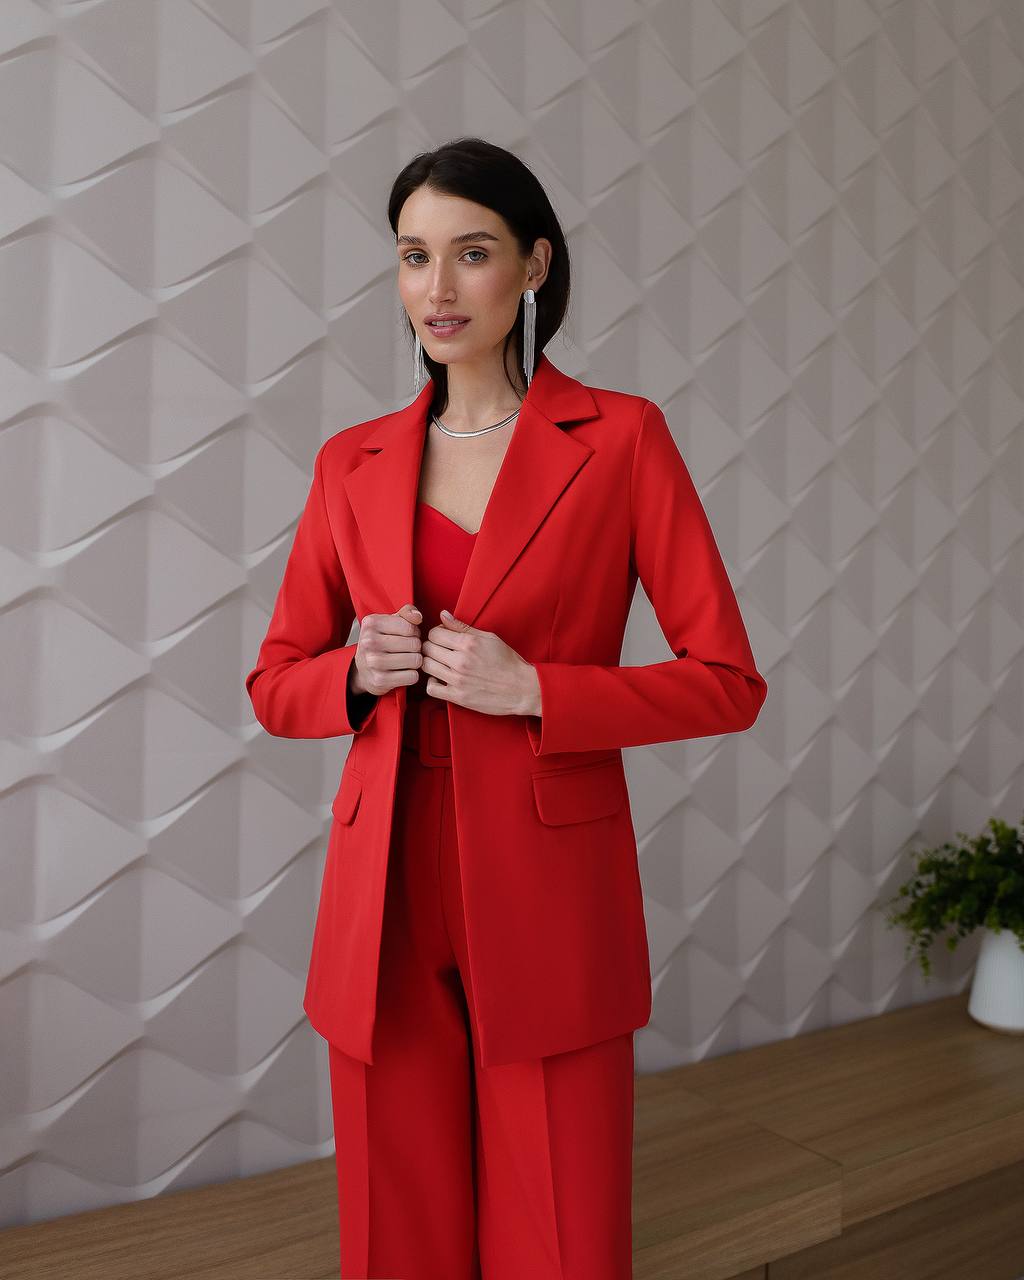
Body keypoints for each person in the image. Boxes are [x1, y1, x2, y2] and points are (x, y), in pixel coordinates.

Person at [245, 136, 768, 1280]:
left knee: (562, 1236)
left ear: (532, 266)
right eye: (413, 256)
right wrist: (351, 669)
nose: (437, 289)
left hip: (547, 883)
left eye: (470, 254)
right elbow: (275, 680)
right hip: (381, 883)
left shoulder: (621, 438)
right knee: (399, 1235)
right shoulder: (349, 462)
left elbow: (727, 680)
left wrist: (536, 687)